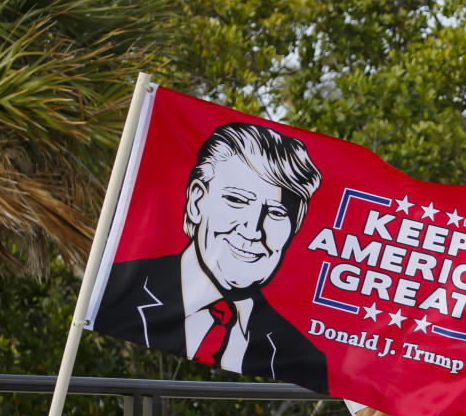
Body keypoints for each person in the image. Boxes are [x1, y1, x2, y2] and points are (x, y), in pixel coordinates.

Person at [94, 122, 329, 394]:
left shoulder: (302, 354)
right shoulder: (117, 293)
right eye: (237, 200)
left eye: (276, 213)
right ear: (196, 202)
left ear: (294, 229)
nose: (253, 230)